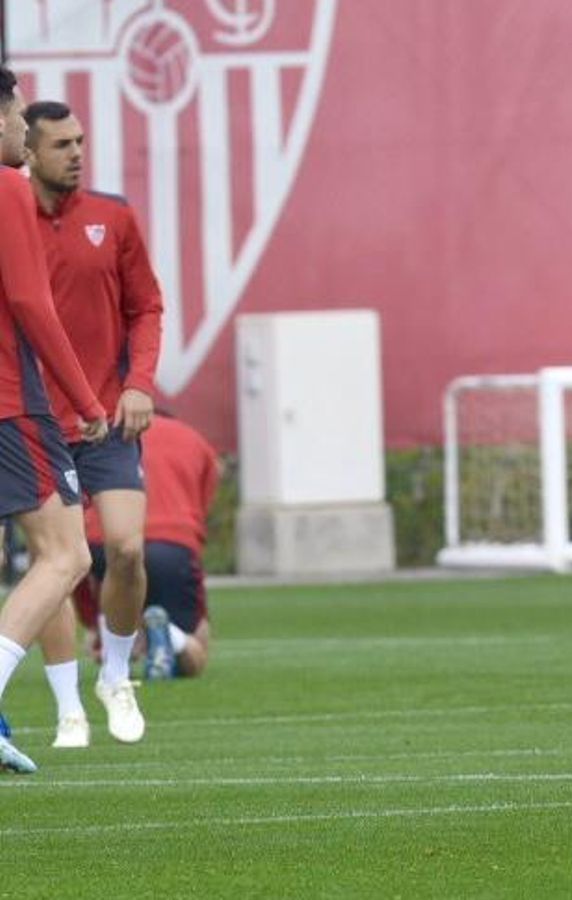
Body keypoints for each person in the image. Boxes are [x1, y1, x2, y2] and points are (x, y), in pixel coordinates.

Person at [20, 100, 163, 748]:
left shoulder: (114, 215)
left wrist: (139, 385)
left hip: (107, 417)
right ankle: (66, 707)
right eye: (60, 144)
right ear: (30, 150)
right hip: (37, 421)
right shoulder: (12, 217)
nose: (75, 153)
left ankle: (114, 674)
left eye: (79, 141)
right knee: (56, 561)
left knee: (127, 550)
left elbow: (147, 307)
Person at [0, 66, 111, 773]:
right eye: (15, 111)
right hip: (10, 402)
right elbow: (32, 304)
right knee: (67, 554)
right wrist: (89, 399)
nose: (19, 124)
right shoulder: (8, 187)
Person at [71, 412, 218, 687]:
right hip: (173, 543)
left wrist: (94, 623)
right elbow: (202, 503)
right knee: (197, 646)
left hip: (103, 542)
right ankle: (171, 635)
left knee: (106, 637)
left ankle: (123, 640)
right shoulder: (192, 438)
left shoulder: (96, 431)